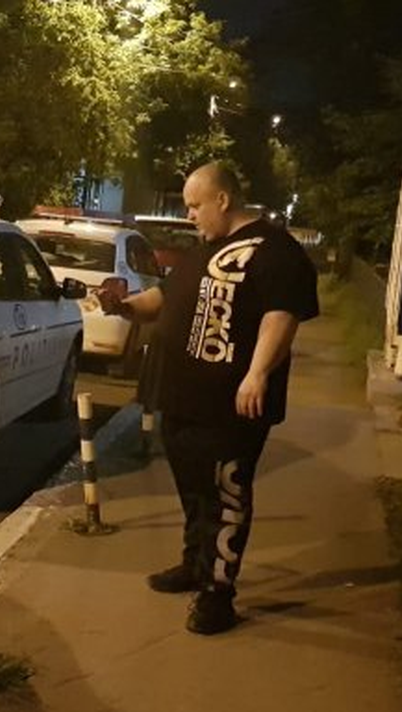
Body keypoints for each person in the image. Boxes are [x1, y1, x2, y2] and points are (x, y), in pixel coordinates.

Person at [99, 161, 319, 635]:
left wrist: (257, 374)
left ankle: (218, 595)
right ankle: (194, 565)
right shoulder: (206, 249)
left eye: (195, 205)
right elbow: (164, 299)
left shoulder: (276, 250)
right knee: (195, 492)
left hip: (229, 404)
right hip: (181, 396)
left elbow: (281, 315)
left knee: (226, 495)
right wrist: (124, 307)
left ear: (223, 199)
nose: (190, 215)